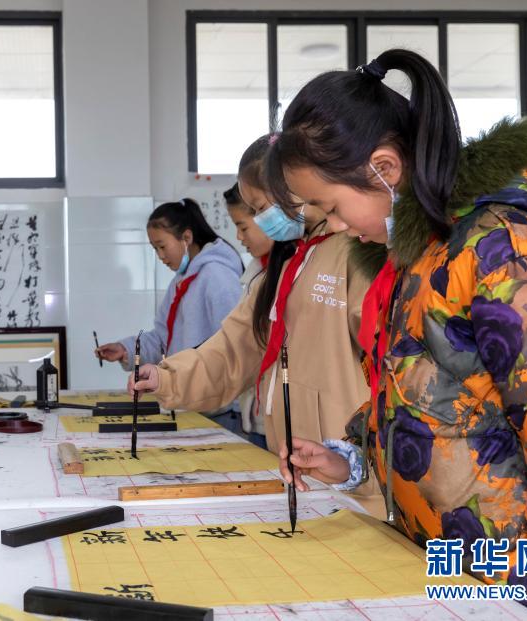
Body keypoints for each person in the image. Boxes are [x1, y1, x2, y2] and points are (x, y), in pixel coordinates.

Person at [265, 49, 527, 617]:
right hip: (441, 561)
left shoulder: (503, 251)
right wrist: (350, 458)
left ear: (384, 169)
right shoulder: (421, 258)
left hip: (515, 575)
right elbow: (428, 400)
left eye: (331, 207)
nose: (335, 226)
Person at [131, 135, 386, 517]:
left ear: (296, 187)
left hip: (356, 478)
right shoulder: (288, 263)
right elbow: (236, 346)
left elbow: (394, 366)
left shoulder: (358, 250)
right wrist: (167, 378)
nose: (260, 221)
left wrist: (361, 458)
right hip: (302, 470)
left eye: (261, 207)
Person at [96, 198, 243, 370]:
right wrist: (124, 349)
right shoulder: (180, 282)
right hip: (186, 391)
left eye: (162, 246)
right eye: (155, 249)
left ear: (186, 238)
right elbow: (162, 340)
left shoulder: (217, 276)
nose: (160, 255)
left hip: (213, 393)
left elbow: (235, 345)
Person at [224, 181, 274, 449]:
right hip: (256, 416)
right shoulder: (257, 271)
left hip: (281, 421)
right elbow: (233, 342)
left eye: (243, 226)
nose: (239, 237)